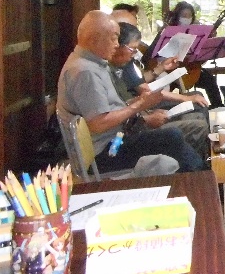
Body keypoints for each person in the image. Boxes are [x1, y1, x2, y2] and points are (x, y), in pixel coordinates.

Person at [57, 11, 204, 174]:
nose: (116, 44)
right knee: (171, 137)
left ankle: (200, 176)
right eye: (113, 38)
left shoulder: (92, 64)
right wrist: (139, 105)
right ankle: (202, 179)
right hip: (107, 150)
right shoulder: (85, 71)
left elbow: (108, 109)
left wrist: (139, 103)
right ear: (94, 39)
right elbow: (98, 123)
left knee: (173, 140)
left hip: (116, 137)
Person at [111, 22, 211, 162]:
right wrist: (145, 117)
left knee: (198, 115)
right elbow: (140, 95)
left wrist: (161, 67)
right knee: (197, 125)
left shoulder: (124, 64)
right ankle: (194, 168)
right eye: (132, 49)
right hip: (124, 134)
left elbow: (140, 86)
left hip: (138, 115)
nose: (134, 53)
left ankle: (201, 162)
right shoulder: (103, 71)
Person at [144, 1, 224, 108]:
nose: (187, 18)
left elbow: (199, 58)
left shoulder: (196, 31)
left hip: (187, 67)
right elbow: (152, 54)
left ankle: (218, 106)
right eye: (184, 16)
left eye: (190, 16)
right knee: (166, 83)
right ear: (177, 16)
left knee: (209, 79)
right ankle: (169, 107)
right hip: (167, 67)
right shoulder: (168, 31)